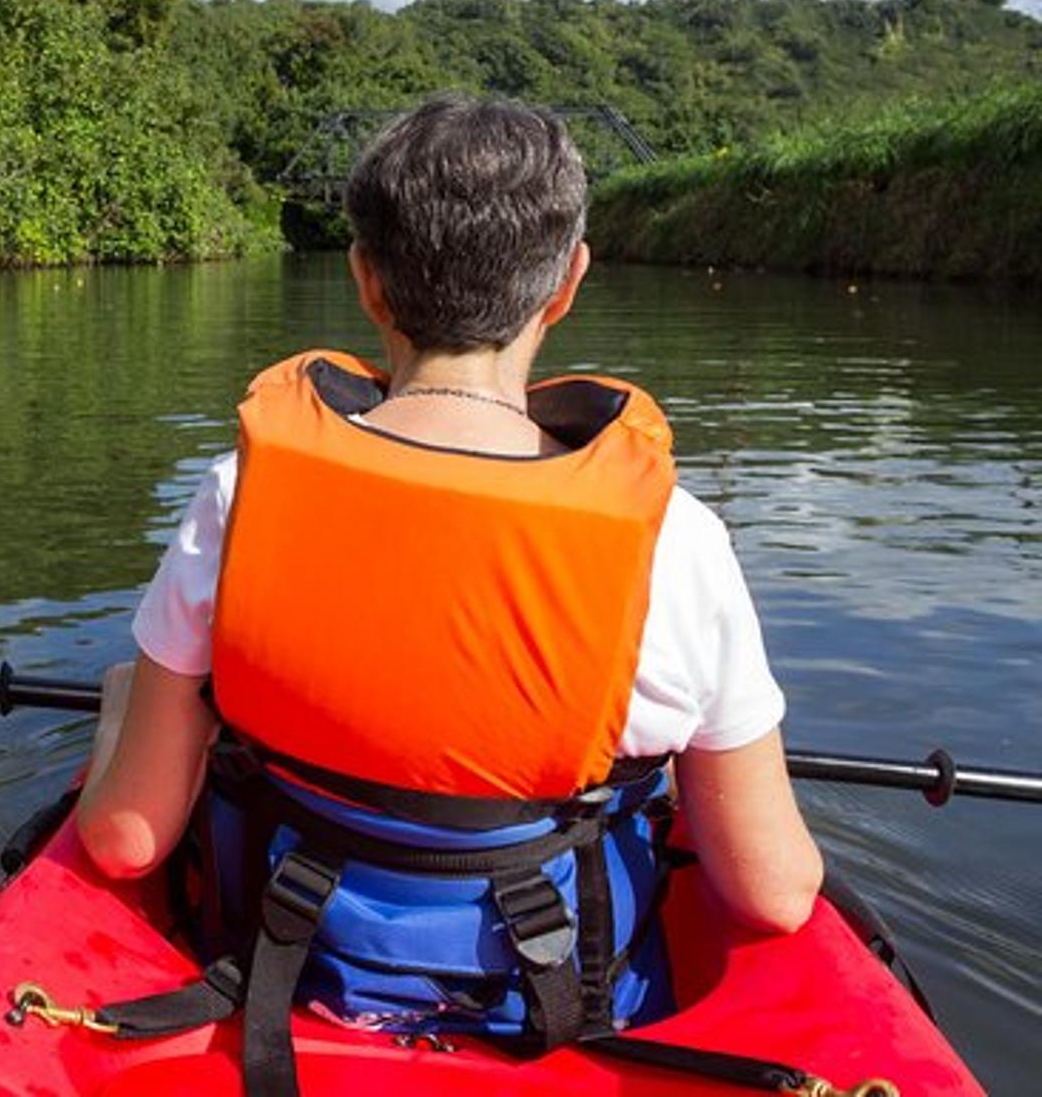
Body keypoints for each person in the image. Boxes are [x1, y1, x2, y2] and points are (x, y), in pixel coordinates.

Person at [73, 94, 822, 1076]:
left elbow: (126, 843)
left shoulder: (238, 494)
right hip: (563, 1013)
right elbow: (770, 892)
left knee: (138, 691)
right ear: (565, 286)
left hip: (280, 990)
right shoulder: (674, 543)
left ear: (364, 281)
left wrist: (119, 712)